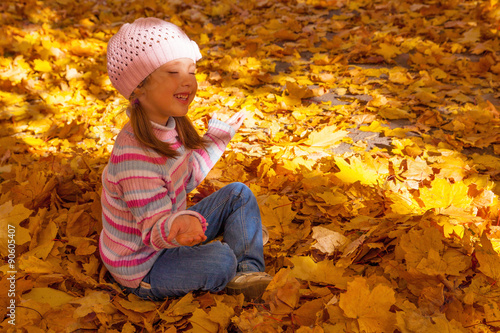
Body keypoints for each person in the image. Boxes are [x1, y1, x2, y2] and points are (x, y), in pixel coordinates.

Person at [99, 17, 271, 301]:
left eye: (191, 71)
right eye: (173, 72)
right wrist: (178, 226)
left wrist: (217, 139)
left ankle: (248, 272)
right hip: (144, 265)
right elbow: (153, 230)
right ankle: (235, 258)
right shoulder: (135, 158)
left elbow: (186, 178)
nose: (188, 81)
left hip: (171, 231)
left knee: (238, 194)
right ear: (139, 86)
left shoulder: (170, 125)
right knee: (221, 259)